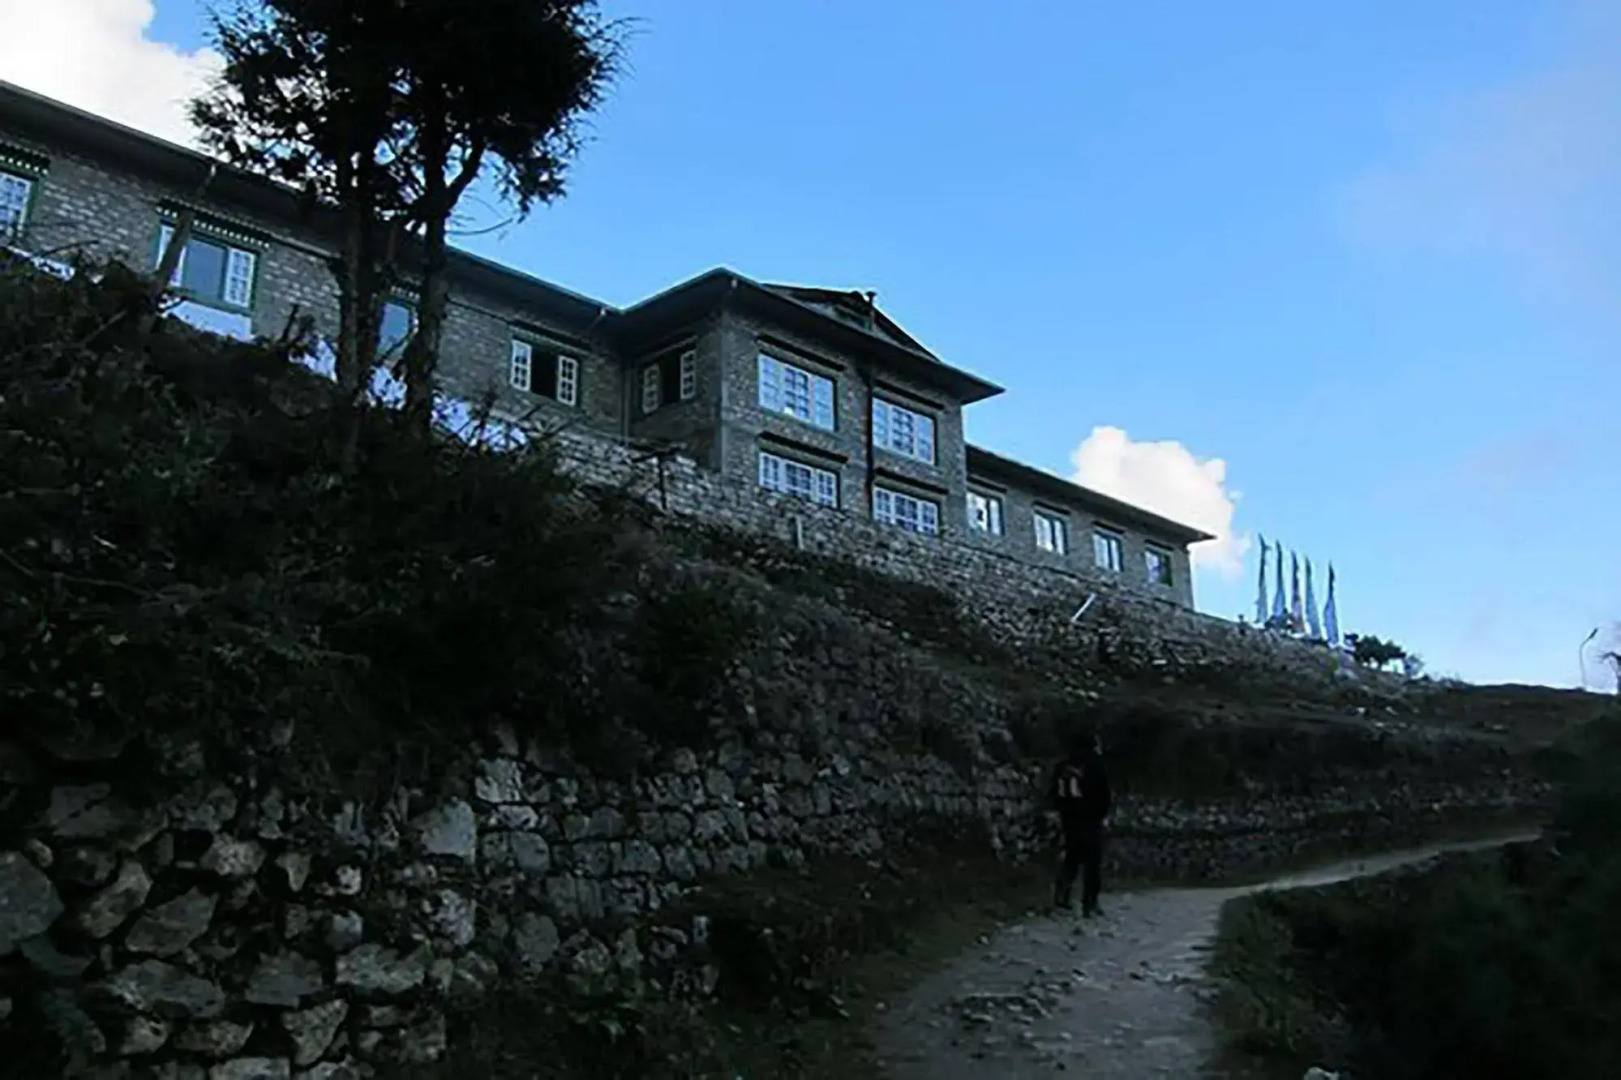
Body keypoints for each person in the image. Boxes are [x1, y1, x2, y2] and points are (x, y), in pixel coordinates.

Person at [1049, 728, 1111, 916]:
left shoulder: (1063, 766)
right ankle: (1089, 903)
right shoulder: (1095, 764)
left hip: (1069, 819)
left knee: (1071, 859)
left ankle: (1062, 898)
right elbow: (1104, 793)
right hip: (1090, 819)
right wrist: (1102, 815)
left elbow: (1053, 792)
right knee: (1092, 863)